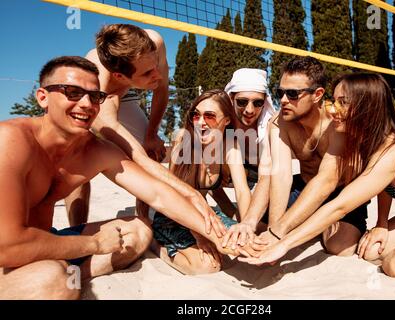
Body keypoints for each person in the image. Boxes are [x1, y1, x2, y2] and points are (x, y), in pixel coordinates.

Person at [0, 56, 237, 299]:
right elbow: (9, 246)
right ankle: (61, 279)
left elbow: (158, 194)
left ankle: (70, 276)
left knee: (139, 231)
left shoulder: (95, 149)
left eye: (95, 96)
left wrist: (220, 236)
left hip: (46, 240)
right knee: (50, 280)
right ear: (42, 97)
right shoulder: (11, 141)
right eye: (72, 92)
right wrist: (95, 245)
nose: (86, 104)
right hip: (8, 253)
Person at [239, 73, 395, 284]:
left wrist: (283, 243)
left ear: (367, 108)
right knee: (371, 252)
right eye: (334, 101)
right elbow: (385, 185)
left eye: (342, 103)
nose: (332, 110)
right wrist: (381, 223)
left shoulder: (394, 152)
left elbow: (339, 207)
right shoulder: (368, 140)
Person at [65, 24, 224, 236]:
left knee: (153, 151)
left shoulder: (154, 42)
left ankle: (144, 215)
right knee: (76, 163)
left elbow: (162, 90)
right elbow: (137, 158)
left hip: (127, 92)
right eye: (148, 72)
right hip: (102, 103)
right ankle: (76, 230)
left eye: (155, 65)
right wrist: (190, 193)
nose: (157, 74)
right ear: (119, 76)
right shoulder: (96, 87)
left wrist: (151, 135)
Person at [253, 57, 369, 256]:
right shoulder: (279, 123)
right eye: (280, 92)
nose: (283, 100)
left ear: (317, 95)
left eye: (292, 94)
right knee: (254, 227)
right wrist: (274, 230)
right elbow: (280, 176)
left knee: (340, 247)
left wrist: (279, 232)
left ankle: (312, 223)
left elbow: (327, 180)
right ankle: (306, 221)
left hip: (340, 191)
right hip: (304, 187)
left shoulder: (337, 121)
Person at [151, 89, 258, 275]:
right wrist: (200, 235)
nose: (201, 122)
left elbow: (242, 191)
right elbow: (174, 197)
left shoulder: (230, 144)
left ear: (226, 121)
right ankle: (155, 246)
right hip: (174, 216)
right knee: (208, 266)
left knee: (246, 247)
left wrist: (247, 225)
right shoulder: (183, 141)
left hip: (205, 215)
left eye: (210, 116)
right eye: (196, 115)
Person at [218, 68, 275, 249]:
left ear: (265, 102)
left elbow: (267, 177)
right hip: (228, 172)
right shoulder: (220, 121)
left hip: (260, 176)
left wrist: (248, 224)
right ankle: (230, 211)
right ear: (231, 98)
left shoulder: (269, 126)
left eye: (257, 103)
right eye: (242, 102)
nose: (250, 110)